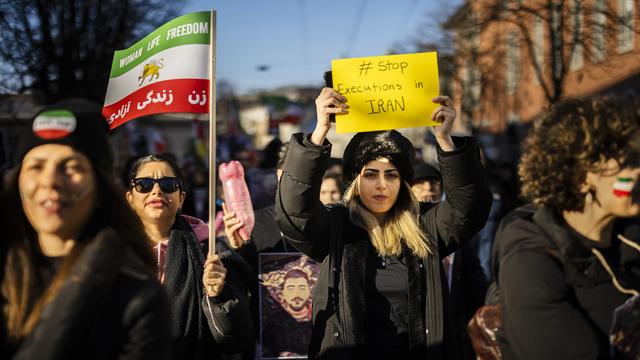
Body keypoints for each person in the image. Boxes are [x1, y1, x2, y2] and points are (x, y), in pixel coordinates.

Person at [275, 87, 492, 359]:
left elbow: (470, 208)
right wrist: (318, 133)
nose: (381, 185)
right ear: (355, 183)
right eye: (370, 175)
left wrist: (446, 141)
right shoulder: (337, 226)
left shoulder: (427, 224)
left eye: (391, 175)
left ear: (402, 183)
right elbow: (295, 212)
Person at [1, 99, 172, 359]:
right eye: (36, 166)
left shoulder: (137, 299)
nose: (50, 181)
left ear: (100, 188)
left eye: (71, 167)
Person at [493, 96, 640, 359]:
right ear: (581, 178)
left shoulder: (631, 237)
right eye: (629, 163)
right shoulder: (530, 264)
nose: (638, 171)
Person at [125, 154, 253, 359]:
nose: (156, 191)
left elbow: (236, 338)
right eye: (144, 185)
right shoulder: (112, 253)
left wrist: (216, 296)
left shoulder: (210, 253)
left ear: (181, 198)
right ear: (130, 198)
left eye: (168, 184)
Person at [262, 268, 313, 357]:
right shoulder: (273, 321)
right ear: (282, 293)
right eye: (290, 288)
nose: (296, 294)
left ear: (309, 291)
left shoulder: (320, 318)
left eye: (302, 287)